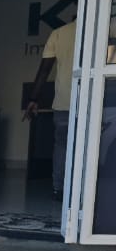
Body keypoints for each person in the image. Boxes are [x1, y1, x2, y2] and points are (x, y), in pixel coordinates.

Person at [26, 19, 77, 201]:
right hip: (90, 103)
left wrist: (33, 99)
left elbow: (44, 71)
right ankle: (82, 190)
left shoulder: (58, 33)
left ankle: (58, 188)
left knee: (61, 146)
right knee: (88, 148)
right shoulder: (102, 28)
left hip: (63, 101)